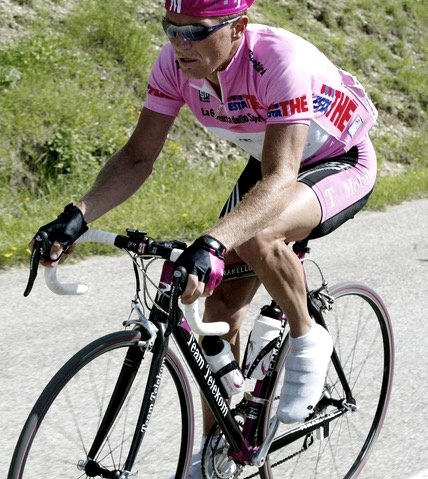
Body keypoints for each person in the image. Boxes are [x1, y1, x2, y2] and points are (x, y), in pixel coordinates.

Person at [32, 0, 378, 476]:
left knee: (258, 238)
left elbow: (280, 179)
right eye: (170, 29)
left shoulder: (280, 61)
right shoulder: (175, 65)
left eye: (194, 32)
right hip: (272, 162)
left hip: (335, 159)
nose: (179, 43)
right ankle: (220, 452)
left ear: (237, 28)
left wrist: (213, 241)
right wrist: (76, 215)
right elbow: (137, 157)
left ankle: (306, 335)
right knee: (218, 305)